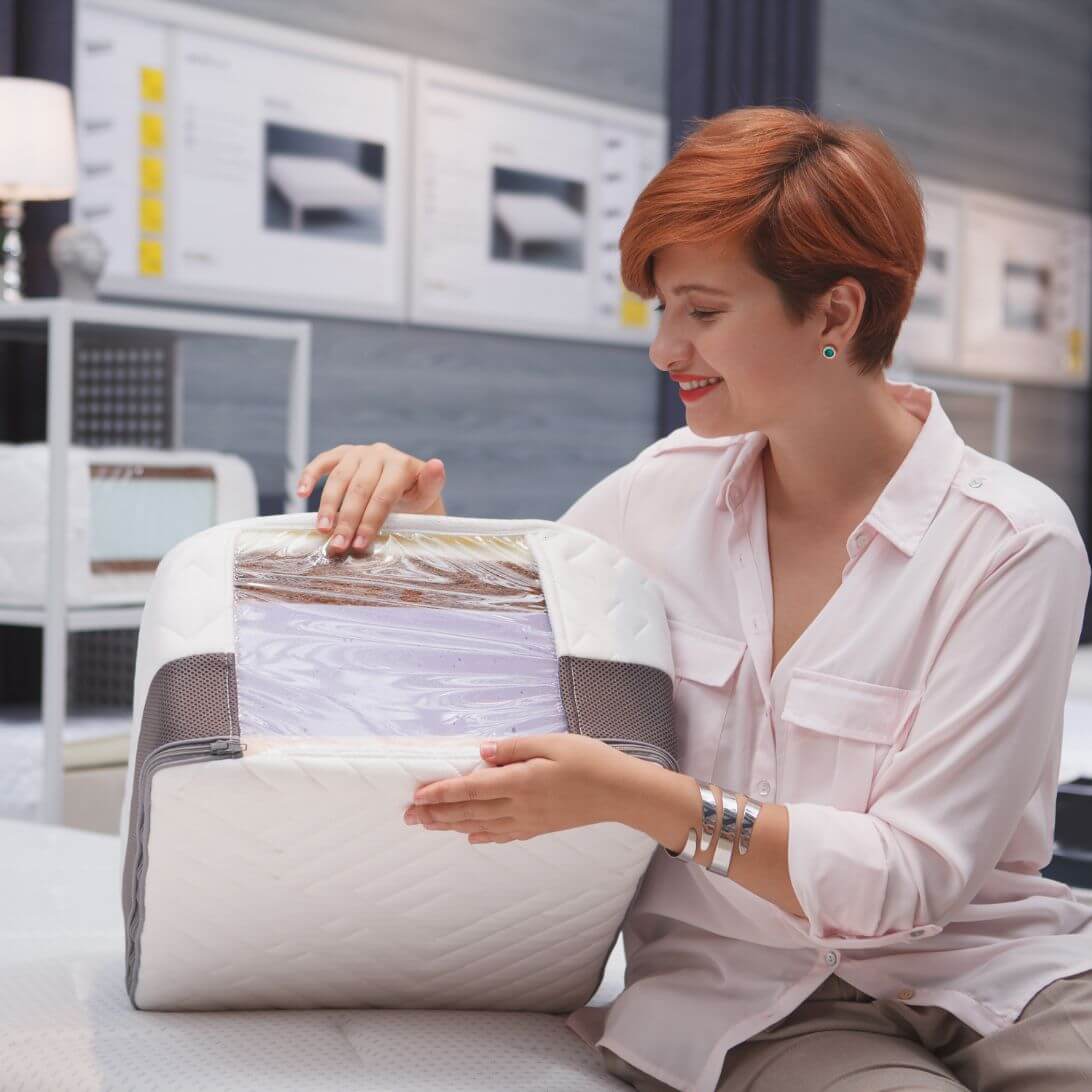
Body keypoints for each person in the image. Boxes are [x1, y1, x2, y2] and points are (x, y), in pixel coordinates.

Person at [295, 106, 1092, 1091]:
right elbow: (504, 653)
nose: (665, 349)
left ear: (837, 316)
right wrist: (419, 521)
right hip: (754, 999)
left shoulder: (1011, 542)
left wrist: (637, 798)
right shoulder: (655, 496)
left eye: (703, 312)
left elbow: (915, 876)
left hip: (1005, 973)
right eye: (661, 308)